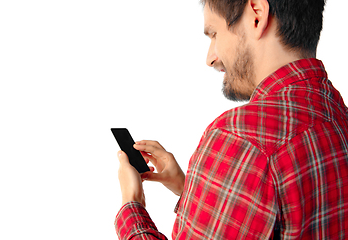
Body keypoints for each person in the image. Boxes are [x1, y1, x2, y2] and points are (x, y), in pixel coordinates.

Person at [115, 0, 348, 239]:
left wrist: (131, 204)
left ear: (257, 15)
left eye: (214, 34)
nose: (210, 58)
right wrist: (191, 190)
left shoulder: (241, 138)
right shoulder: (337, 114)